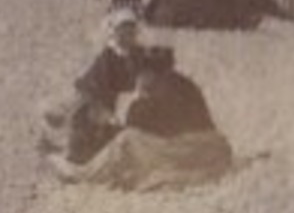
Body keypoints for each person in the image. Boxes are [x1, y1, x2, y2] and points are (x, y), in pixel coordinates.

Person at [50, 48, 234, 190]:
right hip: (210, 148)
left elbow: (135, 121)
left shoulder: (160, 88)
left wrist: (139, 95)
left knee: (127, 140)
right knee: (134, 141)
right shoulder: (180, 83)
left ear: (147, 73)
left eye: (138, 75)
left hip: (193, 150)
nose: (136, 80)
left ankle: (85, 174)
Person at [40, 8, 148, 165]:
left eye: (130, 30)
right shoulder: (109, 56)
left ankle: (65, 116)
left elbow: (142, 79)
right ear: (116, 32)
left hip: (124, 101)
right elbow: (97, 82)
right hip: (105, 101)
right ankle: (65, 120)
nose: (126, 34)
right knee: (86, 108)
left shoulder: (138, 55)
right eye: (123, 30)